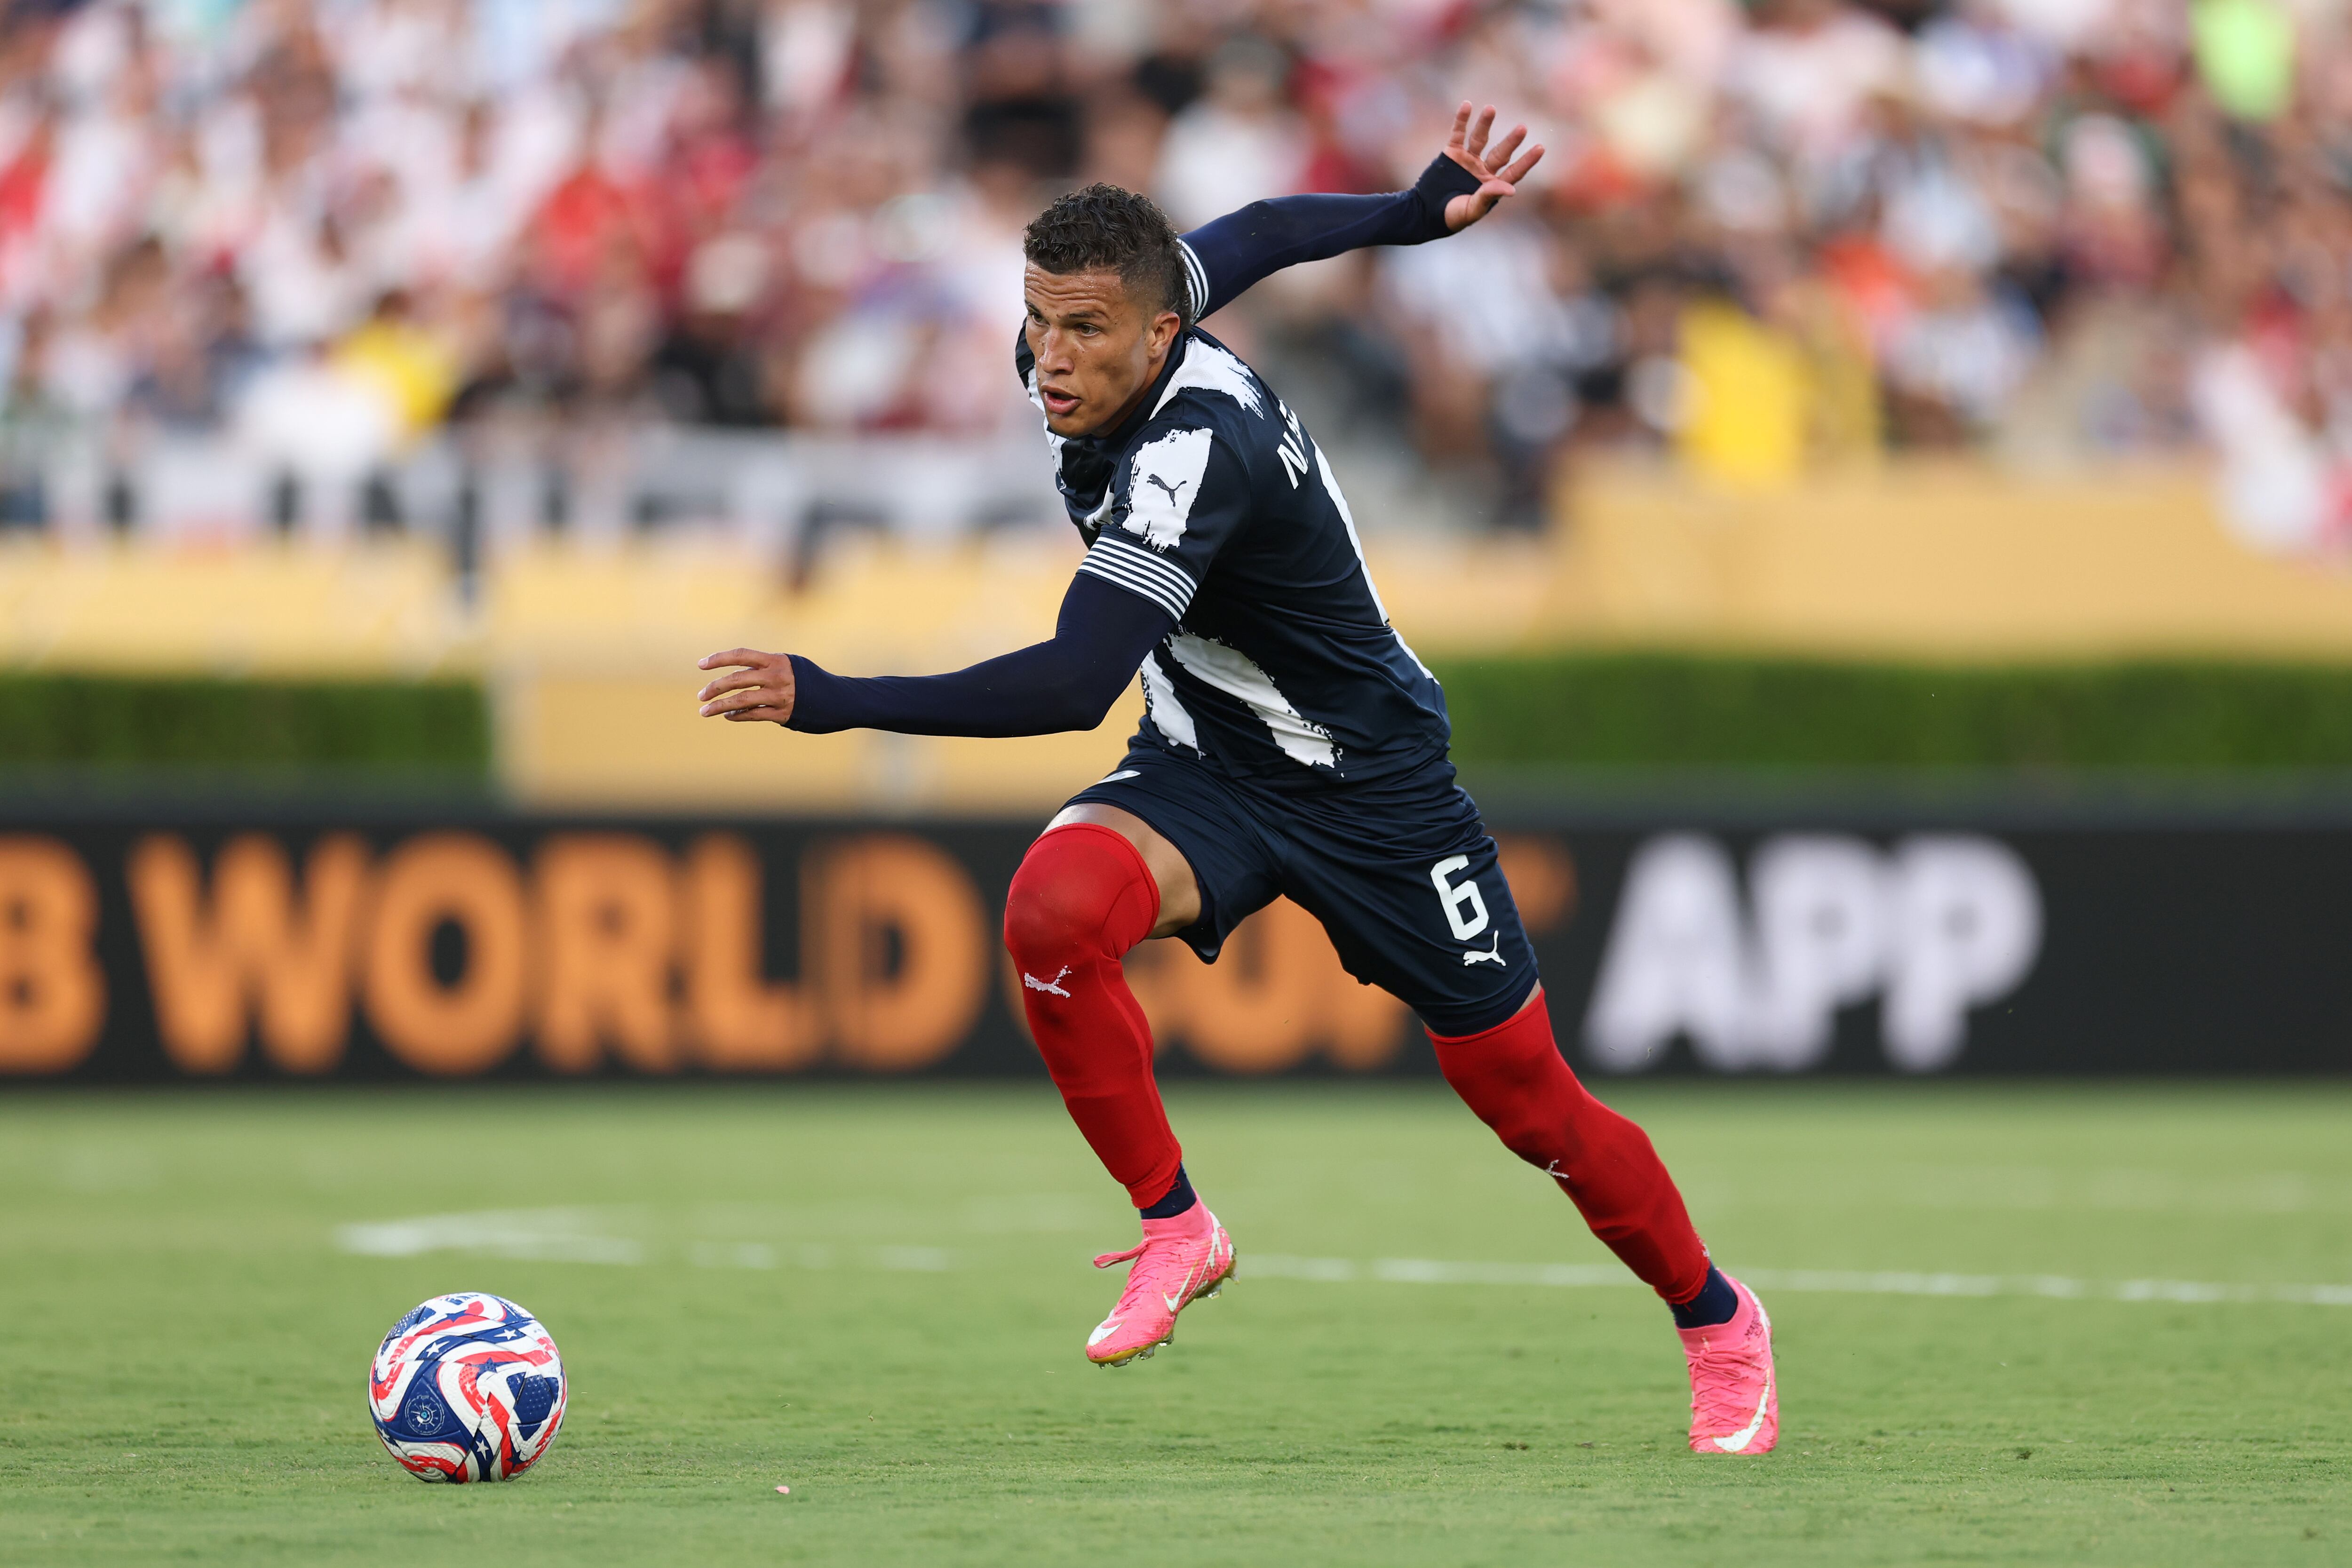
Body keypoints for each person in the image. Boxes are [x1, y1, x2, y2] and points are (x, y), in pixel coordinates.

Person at [695, 105, 1778, 1456]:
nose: (1050, 356)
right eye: (1039, 320)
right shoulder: (1121, 321)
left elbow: (1071, 682)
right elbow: (1259, 235)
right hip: (1210, 762)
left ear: (1160, 337)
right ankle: (1176, 1224)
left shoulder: (1191, 449)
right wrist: (1406, 208)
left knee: (1529, 1102)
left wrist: (831, 696)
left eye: (1085, 330)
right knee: (1048, 913)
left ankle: (1720, 1319)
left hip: (1371, 785)